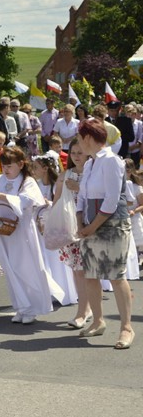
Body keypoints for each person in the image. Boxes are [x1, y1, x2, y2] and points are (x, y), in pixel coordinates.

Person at [0, 146, 62, 324]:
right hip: (3, 229)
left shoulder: (27, 181)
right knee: (11, 269)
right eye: (4, 165)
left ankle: (33, 306)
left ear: (21, 164)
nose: (6, 169)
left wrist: (3, 197)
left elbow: (29, 200)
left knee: (27, 267)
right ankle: (22, 306)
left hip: (23, 231)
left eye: (10, 166)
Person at [75, 119, 135, 349]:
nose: (79, 143)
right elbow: (82, 195)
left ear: (88, 138)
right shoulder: (90, 164)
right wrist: (81, 221)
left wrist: (91, 226)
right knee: (90, 274)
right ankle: (98, 321)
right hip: (91, 223)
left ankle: (126, 328)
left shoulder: (111, 161)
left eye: (80, 138)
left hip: (112, 225)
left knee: (115, 276)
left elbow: (111, 199)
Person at [31, 155, 78, 307]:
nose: (33, 170)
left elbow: (61, 202)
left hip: (54, 226)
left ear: (45, 169)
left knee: (56, 258)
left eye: (36, 167)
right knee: (44, 258)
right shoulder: (36, 185)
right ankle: (50, 291)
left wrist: (48, 203)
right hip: (39, 225)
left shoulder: (55, 185)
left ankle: (64, 291)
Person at [55, 138, 91, 329]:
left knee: (88, 272)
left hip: (91, 226)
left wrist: (80, 188)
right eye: (74, 153)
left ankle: (88, 308)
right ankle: (83, 310)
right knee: (78, 271)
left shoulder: (93, 173)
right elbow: (57, 200)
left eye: (80, 152)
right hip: (71, 228)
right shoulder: (65, 174)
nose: (77, 156)